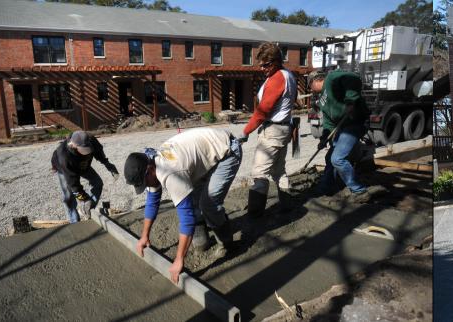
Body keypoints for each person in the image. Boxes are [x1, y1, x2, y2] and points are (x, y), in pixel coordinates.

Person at [123, 127, 244, 284]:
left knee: (208, 204)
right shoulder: (152, 164)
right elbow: (152, 201)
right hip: (203, 152)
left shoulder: (170, 172)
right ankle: (203, 238)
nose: (146, 185)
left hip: (227, 151)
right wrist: (144, 236)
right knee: (192, 198)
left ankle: (227, 243)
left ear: (149, 170)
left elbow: (187, 219)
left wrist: (179, 259)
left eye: (145, 182)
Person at [309, 70, 383, 202]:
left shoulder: (331, 78)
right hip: (343, 127)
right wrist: (324, 139)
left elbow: (353, 78)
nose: (311, 90)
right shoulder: (322, 100)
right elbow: (328, 122)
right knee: (330, 157)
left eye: (310, 86)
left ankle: (359, 190)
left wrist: (350, 101)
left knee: (337, 159)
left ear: (315, 81)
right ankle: (326, 186)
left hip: (355, 123)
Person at [242, 42, 297, 217]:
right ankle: (287, 205)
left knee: (260, 172)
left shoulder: (278, 78)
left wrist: (246, 131)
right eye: (260, 65)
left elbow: (263, 110)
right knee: (279, 170)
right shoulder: (288, 75)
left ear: (276, 61)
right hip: (283, 128)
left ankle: (254, 215)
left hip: (273, 130)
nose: (262, 68)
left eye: (266, 65)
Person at [51, 130, 118, 223]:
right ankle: (74, 221)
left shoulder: (89, 139)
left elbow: (98, 151)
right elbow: (74, 184)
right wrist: (84, 198)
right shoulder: (64, 156)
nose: (86, 151)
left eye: (87, 148)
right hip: (65, 169)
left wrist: (107, 164)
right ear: (72, 145)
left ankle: (86, 209)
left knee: (98, 183)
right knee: (69, 196)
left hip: (83, 164)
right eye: (83, 149)